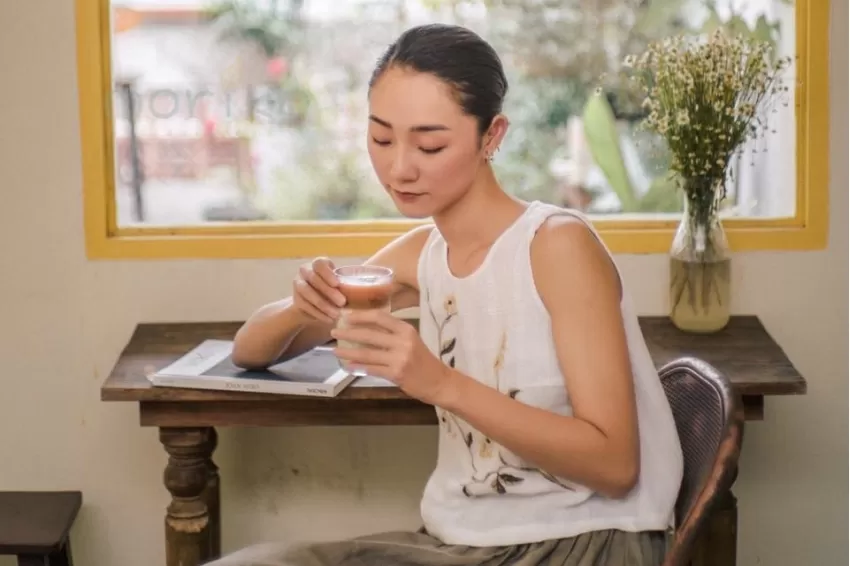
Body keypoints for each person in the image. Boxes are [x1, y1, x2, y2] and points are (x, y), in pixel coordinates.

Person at [211, 22, 683, 566]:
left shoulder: (557, 248)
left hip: (580, 540)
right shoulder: (422, 256)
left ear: (492, 136)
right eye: (381, 138)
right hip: (460, 542)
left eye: (430, 144)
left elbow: (616, 465)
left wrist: (437, 382)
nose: (398, 167)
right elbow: (248, 351)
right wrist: (302, 304)